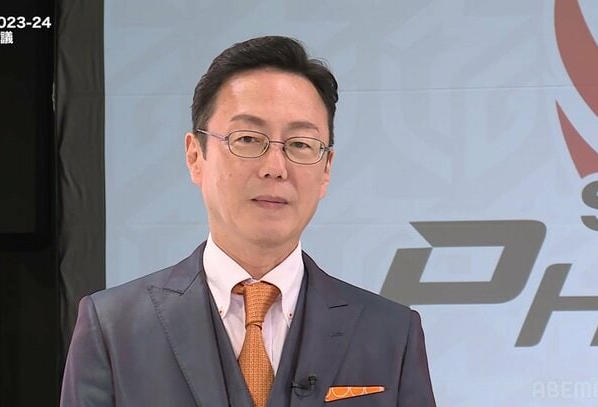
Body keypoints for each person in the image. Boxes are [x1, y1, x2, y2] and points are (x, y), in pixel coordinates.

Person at [61, 35, 436, 406]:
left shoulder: (390, 333)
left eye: (300, 144)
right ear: (195, 156)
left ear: (326, 170)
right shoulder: (113, 328)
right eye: (248, 139)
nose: (275, 167)